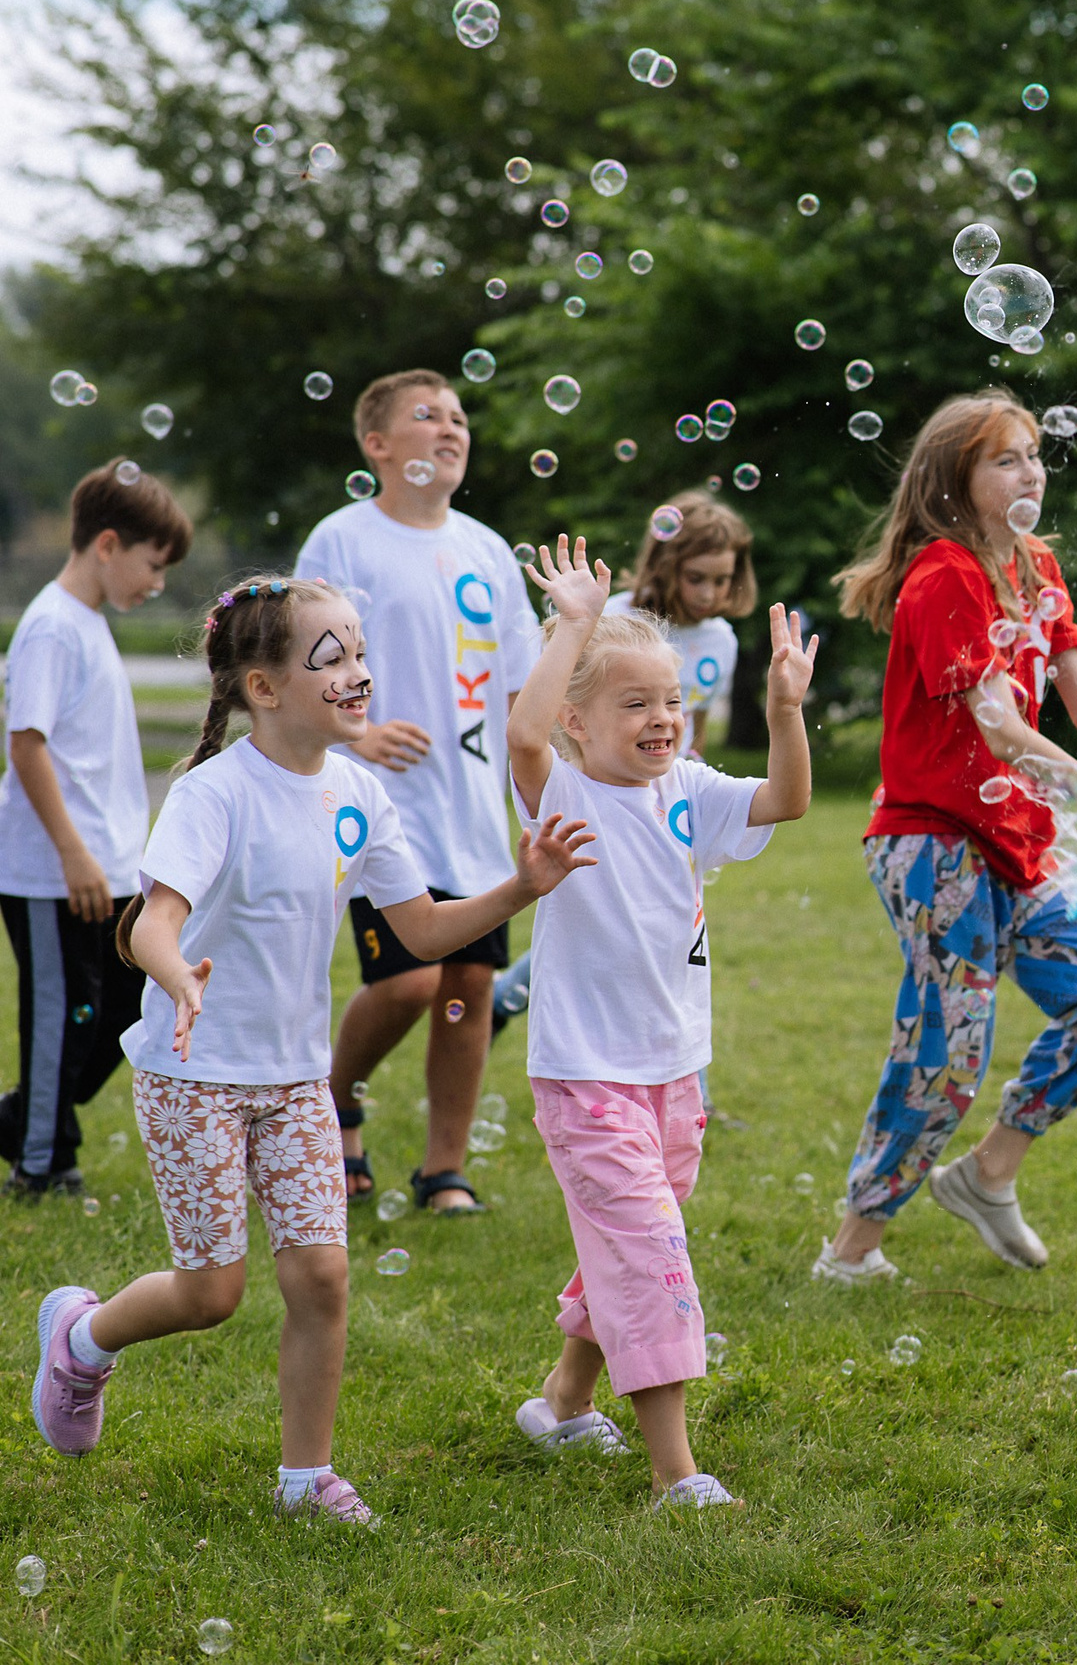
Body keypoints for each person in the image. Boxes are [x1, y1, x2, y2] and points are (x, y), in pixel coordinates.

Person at [29, 576, 589, 1523]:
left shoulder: (361, 792)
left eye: (362, 652)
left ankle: (305, 1478)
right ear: (264, 687)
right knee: (212, 1291)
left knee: (322, 1275)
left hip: (295, 1079)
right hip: (192, 1072)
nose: (361, 672)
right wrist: (178, 977)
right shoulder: (214, 794)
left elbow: (419, 931)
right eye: (332, 658)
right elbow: (153, 920)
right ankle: (82, 1338)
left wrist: (520, 887)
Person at [815, 389, 1077, 1283]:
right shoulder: (944, 575)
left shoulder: (1037, 565)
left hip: (1013, 841)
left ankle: (990, 1171)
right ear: (954, 481)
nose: (1031, 470)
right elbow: (1001, 727)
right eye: (1006, 458)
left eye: (1035, 454)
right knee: (948, 1049)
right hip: (933, 845)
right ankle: (853, 1247)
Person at [503, 536, 815, 1508]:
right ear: (577, 723)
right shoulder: (567, 791)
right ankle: (676, 1472)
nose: (661, 719)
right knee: (648, 1255)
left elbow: (788, 800)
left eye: (670, 702)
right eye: (634, 703)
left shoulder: (687, 793)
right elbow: (519, 735)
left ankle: (560, 1404)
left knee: (632, 1239)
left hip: (674, 1074)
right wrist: (575, 624)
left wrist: (782, 713)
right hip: (587, 1075)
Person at [295, 368, 541, 1210]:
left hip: (473, 811)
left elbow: (521, 693)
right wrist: (358, 731)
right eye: (427, 415)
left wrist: (541, 797)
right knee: (407, 981)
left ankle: (445, 1165)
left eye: (460, 416)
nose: (451, 428)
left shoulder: (485, 550)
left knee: (469, 988)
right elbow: (299, 657)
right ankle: (332, 1096)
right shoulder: (342, 539)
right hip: (377, 807)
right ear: (378, 446)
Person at [490, 491, 757, 1036]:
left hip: (667, 798)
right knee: (604, 920)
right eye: (698, 577)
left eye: (723, 580)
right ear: (667, 565)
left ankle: (677, 1062)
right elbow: (555, 718)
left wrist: (683, 776)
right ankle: (508, 998)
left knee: (663, 924)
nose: (711, 593)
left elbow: (695, 719)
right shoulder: (614, 616)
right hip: (601, 796)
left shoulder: (724, 641)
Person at [0, 459, 192, 1194]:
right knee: (57, 1015)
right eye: (154, 563)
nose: (158, 582)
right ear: (108, 544)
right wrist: (73, 852)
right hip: (54, 871)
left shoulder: (87, 624)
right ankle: (43, 1163)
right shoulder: (52, 626)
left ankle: (25, 1118)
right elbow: (27, 743)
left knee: (115, 1005)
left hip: (108, 868)